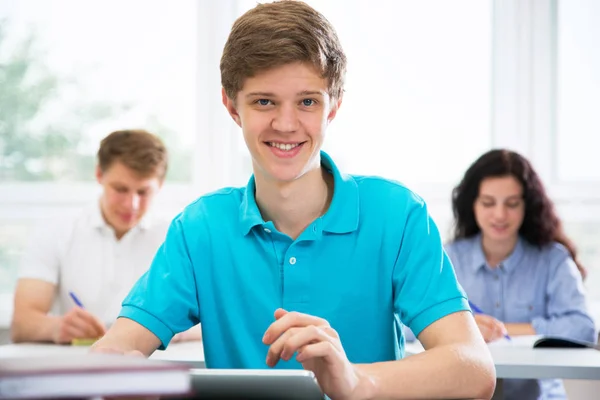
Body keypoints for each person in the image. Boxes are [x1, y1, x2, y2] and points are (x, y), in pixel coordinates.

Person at [91, 2, 495, 399]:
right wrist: (117, 376)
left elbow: (473, 368)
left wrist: (354, 381)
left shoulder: (398, 215)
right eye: (264, 101)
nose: (286, 125)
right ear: (231, 106)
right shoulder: (200, 229)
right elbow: (114, 348)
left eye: (307, 101)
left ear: (334, 104)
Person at [11, 129, 201, 344]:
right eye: (120, 189)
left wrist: (165, 330)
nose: (132, 205)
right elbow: (21, 324)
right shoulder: (55, 231)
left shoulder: (177, 237)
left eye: (143, 192)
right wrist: (57, 327)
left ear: (161, 184)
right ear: (99, 175)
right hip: (81, 364)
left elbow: (214, 323)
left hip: (152, 366)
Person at [447, 148, 597, 399]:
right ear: (471, 204)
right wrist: (463, 327)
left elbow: (583, 328)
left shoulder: (552, 259)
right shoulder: (449, 258)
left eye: (512, 204)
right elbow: (406, 327)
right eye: (488, 203)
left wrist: (503, 329)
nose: (500, 215)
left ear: (528, 205)